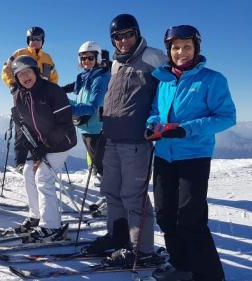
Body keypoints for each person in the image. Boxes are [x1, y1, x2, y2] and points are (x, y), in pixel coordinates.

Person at [146, 25, 235, 281]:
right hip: (164, 155)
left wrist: (186, 129)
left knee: (190, 219)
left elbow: (226, 117)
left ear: (196, 48)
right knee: (164, 215)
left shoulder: (212, 79)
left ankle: (208, 275)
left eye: (187, 47)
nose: (181, 52)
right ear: (169, 50)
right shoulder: (163, 80)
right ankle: (181, 265)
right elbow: (155, 110)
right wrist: (151, 125)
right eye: (175, 48)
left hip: (194, 156)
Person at [81, 14, 167, 266]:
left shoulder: (153, 57)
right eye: (118, 37)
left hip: (136, 140)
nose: (124, 40)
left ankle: (143, 250)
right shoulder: (116, 64)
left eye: (129, 34)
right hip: (111, 136)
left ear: (137, 33)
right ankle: (117, 237)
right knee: (111, 191)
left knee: (133, 195)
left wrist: (155, 119)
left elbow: (168, 89)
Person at [10, 55, 76, 242]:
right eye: (20, 74)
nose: (25, 77)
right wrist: (22, 156)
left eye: (28, 72)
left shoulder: (52, 91)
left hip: (62, 142)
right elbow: (24, 129)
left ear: (36, 72)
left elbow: (64, 124)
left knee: (43, 177)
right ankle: (36, 215)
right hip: (41, 145)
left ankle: (51, 226)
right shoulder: (20, 96)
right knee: (28, 173)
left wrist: (43, 147)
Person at [1, 26, 59, 173]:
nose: (34, 42)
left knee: (41, 128)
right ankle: (20, 163)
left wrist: (52, 92)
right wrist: (13, 85)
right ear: (28, 40)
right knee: (22, 128)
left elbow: (53, 77)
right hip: (22, 96)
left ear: (42, 41)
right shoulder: (20, 53)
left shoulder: (47, 58)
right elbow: (6, 69)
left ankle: (39, 158)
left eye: (38, 39)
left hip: (41, 99)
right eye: (32, 39)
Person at [67, 41, 110, 213]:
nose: (86, 61)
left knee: (103, 166)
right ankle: (108, 197)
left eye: (90, 58)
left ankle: (112, 201)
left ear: (98, 58)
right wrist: (67, 102)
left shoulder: (100, 78)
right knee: (100, 166)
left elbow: (92, 106)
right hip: (87, 128)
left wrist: (64, 106)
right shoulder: (86, 77)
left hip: (97, 128)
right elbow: (80, 102)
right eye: (83, 58)